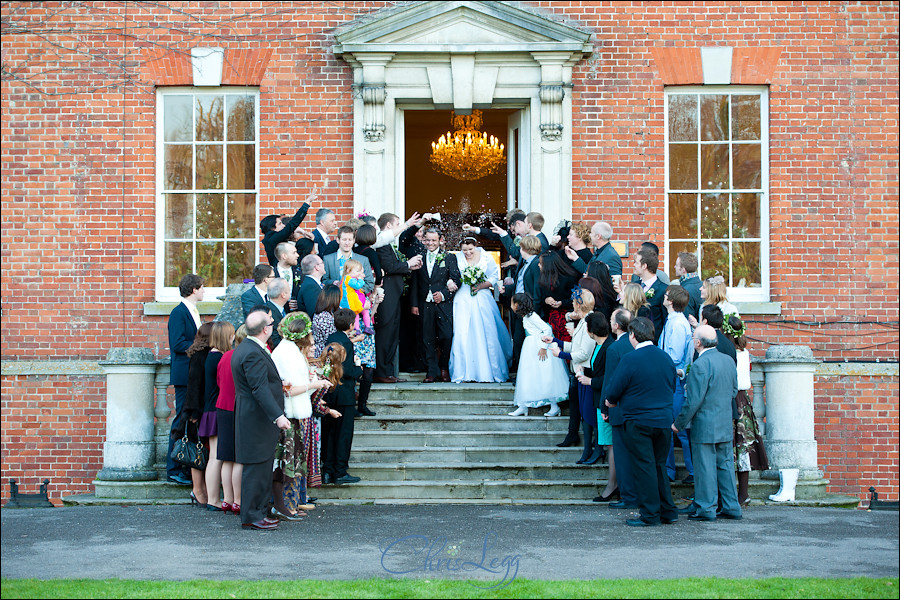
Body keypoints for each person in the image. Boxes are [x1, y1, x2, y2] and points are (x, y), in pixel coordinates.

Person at [604, 317, 679, 527]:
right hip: (663, 420)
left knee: (644, 467)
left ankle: (650, 514)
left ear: (633, 335)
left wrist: (610, 401)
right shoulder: (665, 358)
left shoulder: (630, 359)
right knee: (658, 466)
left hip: (638, 421)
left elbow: (614, 389)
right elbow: (672, 386)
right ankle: (668, 511)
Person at [673, 325, 743, 522]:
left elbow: (693, 400)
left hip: (704, 424)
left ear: (697, 342)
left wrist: (678, 423)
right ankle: (731, 506)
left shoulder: (700, 365)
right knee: (726, 466)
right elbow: (733, 390)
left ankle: (706, 507)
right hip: (724, 420)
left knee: (705, 468)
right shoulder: (728, 360)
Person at [271, 312, 336, 520]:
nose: (312, 340)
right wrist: (315, 384)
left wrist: (311, 382)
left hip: (298, 412)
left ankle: (293, 503)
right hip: (290, 415)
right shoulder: (287, 354)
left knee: (297, 462)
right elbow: (288, 389)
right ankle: (285, 505)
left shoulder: (291, 351)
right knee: (290, 463)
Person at [232, 308, 290, 531]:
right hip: (256, 420)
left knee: (261, 466)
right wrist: (278, 416)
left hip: (254, 417)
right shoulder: (252, 352)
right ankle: (252, 516)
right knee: (256, 468)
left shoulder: (247, 348)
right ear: (266, 329)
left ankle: (258, 512)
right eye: (271, 325)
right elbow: (258, 388)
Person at [449, 237, 513, 383]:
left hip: (482, 296)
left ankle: (489, 371)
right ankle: (463, 372)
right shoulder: (456, 258)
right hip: (463, 296)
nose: (467, 253)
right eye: (464, 250)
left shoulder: (486, 256)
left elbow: (494, 276)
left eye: (470, 249)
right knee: (462, 331)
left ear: (475, 246)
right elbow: (452, 275)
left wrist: (482, 285)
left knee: (486, 330)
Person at [546, 289, 599, 462]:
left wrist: (560, 354)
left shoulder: (589, 321)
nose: (572, 305)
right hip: (577, 372)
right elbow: (576, 347)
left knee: (588, 413)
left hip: (585, 372)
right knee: (582, 410)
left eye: (575, 302)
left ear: (580, 303)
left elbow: (583, 353)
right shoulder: (584, 320)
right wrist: (557, 342)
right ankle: (588, 449)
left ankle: (593, 449)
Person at [723, 314, 769, 506]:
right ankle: (743, 493)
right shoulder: (745, 353)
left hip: (734, 399)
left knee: (737, 446)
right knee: (743, 447)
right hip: (744, 401)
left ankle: (736, 494)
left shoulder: (730, 355)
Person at [374, 212, 423, 383]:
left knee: (393, 334)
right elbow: (388, 266)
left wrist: (409, 268)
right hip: (386, 296)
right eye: (397, 224)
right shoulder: (380, 243)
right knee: (386, 333)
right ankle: (381, 372)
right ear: (389, 226)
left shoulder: (387, 244)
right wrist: (408, 264)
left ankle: (388, 372)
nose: (398, 227)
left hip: (394, 296)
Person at [166, 273, 203, 486]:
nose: (205, 291)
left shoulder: (193, 311)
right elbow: (178, 343)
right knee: (181, 417)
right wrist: (201, 346)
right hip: (184, 374)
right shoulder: (178, 313)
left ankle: (187, 465)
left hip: (193, 373)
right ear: (194, 290)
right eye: (202, 288)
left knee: (190, 418)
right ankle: (173, 469)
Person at [410, 228, 461, 383]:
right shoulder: (419, 257)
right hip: (424, 303)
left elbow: (457, 280)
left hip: (444, 305)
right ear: (424, 240)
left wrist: (444, 294)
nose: (431, 243)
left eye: (434, 240)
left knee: (446, 336)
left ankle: (444, 367)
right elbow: (415, 283)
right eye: (428, 240)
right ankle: (431, 371)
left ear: (441, 240)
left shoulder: (449, 257)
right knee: (427, 337)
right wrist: (414, 304)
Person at [598, 308, 636, 508]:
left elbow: (609, 381)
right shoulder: (636, 345)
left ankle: (625, 493)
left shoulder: (614, 349)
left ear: (616, 325)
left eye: (612, 319)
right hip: (636, 406)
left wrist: (605, 407)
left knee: (620, 451)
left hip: (619, 406)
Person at [509, 293, 569, 417]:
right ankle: (523, 405)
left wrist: (543, 347)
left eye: (512, 303)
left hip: (537, 346)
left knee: (545, 375)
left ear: (518, 305)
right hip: (530, 347)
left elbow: (547, 329)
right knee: (528, 375)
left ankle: (554, 406)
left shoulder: (532, 316)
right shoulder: (526, 317)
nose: (511, 306)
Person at [323, 308, 364, 485]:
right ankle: (340, 471)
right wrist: (359, 370)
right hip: (344, 393)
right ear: (350, 325)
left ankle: (327, 470)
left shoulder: (330, 339)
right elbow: (345, 370)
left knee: (329, 434)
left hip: (330, 392)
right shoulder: (346, 343)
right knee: (344, 434)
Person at [659, 285, 695, 485]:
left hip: (674, 379)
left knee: (679, 427)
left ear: (670, 301)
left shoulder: (678, 324)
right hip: (670, 377)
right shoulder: (672, 321)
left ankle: (691, 470)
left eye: (665, 296)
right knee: (668, 426)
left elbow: (675, 356)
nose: (663, 298)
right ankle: (669, 469)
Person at [577, 312, 615, 486]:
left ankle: (612, 479)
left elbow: (608, 376)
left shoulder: (609, 347)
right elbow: (597, 368)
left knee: (607, 438)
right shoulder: (597, 345)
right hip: (597, 396)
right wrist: (585, 372)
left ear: (592, 330)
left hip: (604, 397)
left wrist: (590, 380)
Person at [202, 321, 234, 513]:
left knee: (215, 456)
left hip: (211, 409)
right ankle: (213, 499)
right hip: (216, 409)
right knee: (216, 457)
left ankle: (214, 498)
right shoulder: (217, 358)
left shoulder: (212, 356)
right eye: (231, 336)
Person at [215, 324, 246, 516]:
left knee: (226, 458)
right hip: (237, 408)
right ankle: (238, 500)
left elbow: (219, 381)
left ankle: (227, 499)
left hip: (222, 407)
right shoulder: (243, 357)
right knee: (238, 458)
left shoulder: (225, 356)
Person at [182, 322, 213, 508]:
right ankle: (198, 490)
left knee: (205, 450)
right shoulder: (199, 356)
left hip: (204, 407)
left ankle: (204, 490)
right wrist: (193, 411)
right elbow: (193, 386)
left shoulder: (206, 354)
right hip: (198, 409)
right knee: (197, 450)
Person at [507, 235, 543, 371]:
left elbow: (536, 289)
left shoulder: (535, 265)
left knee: (521, 341)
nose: (519, 250)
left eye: (521, 247)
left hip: (527, 310)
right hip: (520, 309)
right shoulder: (526, 263)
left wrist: (532, 311)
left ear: (526, 248)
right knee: (518, 341)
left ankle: (523, 372)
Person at [260, 190, 315, 266]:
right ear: (273, 228)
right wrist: (306, 204)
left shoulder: (274, 239)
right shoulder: (271, 239)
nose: (283, 226)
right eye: (280, 224)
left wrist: (303, 233)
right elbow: (291, 225)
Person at [539, 250, 581, 342]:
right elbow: (540, 298)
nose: (538, 265)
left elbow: (577, 299)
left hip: (567, 318)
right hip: (550, 318)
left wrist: (561, 303)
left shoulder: (569, 277)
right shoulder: (543, 277)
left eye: (541, 263)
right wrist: (546, 300)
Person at [628, 248, 668, 342]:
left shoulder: (663, 290)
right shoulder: (634, 285)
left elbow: (665, 320)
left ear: (644, 266)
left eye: (636, 262)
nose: (634, 265)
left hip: (652, 341)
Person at [322, 226, 375, 293]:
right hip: (335, 299)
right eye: (344, 240)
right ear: (338, 240)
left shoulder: (363, 260)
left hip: (356, 300)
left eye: (350, 240)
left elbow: (370, 283)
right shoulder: (328, 259)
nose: (347, 243)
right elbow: (323, 280)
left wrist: (355, 292)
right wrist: (333, 282)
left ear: (354, 240)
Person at [339, 259, 374, 335]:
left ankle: (366, 327)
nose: (359, 274)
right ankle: (357, 328)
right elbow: (357, 286)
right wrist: (361, 280)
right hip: (351, 301)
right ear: (348, 270)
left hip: (355, 300)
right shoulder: (348, 278)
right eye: (357, 271)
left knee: (364, 312)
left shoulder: (351, 278)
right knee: (356, 314)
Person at [273, 241, 301, 312]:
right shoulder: (271, 274)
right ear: (284, 256)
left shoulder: (300, 273)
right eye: (294, 253)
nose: (297, 255)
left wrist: (299, 304)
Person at [674, 251, 702, 320]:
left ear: (683, 270)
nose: (674, 267)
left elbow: (687, 319)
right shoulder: (703, 285)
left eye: (677, 265)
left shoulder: (685, 291)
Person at [265, 278, 291, 349]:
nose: (290, 292)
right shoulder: (268, 313)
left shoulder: (284, 308)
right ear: (283, 295)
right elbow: (274, 341)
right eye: (289, 290)